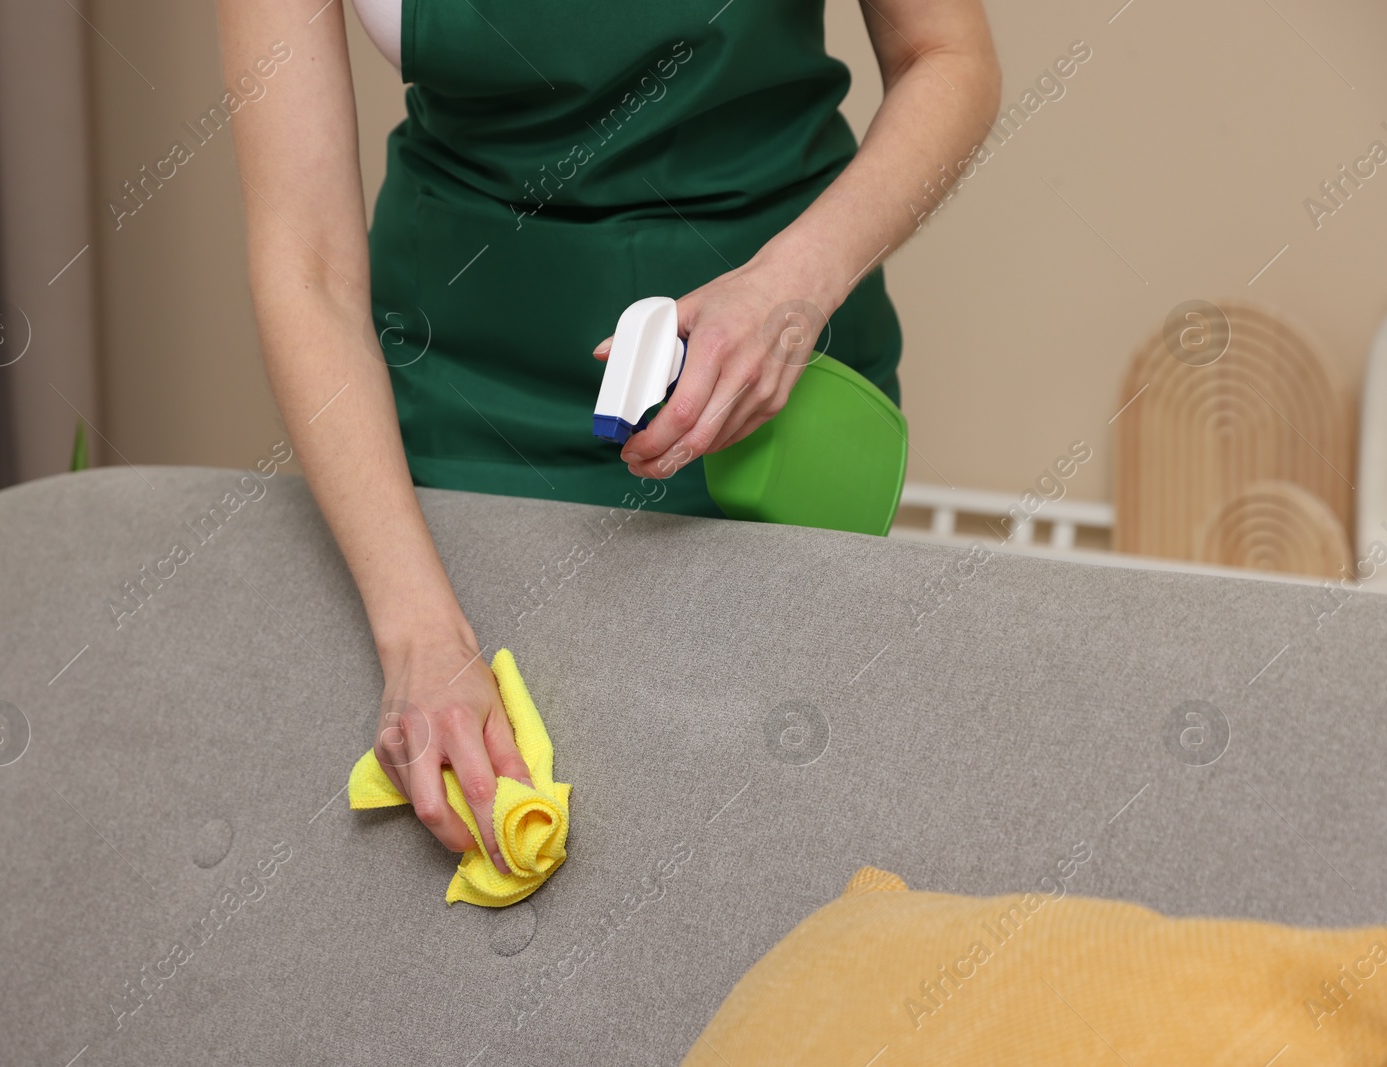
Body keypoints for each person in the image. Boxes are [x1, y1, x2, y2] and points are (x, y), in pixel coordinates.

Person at [216, 0, 1000, 872]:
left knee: (764, 851)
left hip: (768, 391)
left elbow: (947, 57)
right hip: (463, 404)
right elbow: (306, 265)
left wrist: (796, 284)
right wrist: (421, 637)